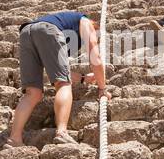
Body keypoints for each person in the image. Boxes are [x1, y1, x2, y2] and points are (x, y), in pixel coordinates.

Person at [7, 10, 108, 147]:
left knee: (33, 93)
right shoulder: (85, 21)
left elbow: (55, 70)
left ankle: (14, 139)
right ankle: (62, 132)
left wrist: (84, 78)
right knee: (63, 84)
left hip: (26, 33)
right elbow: (95, 57)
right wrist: (102, 88)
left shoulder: (64, 29)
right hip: (48, 30)